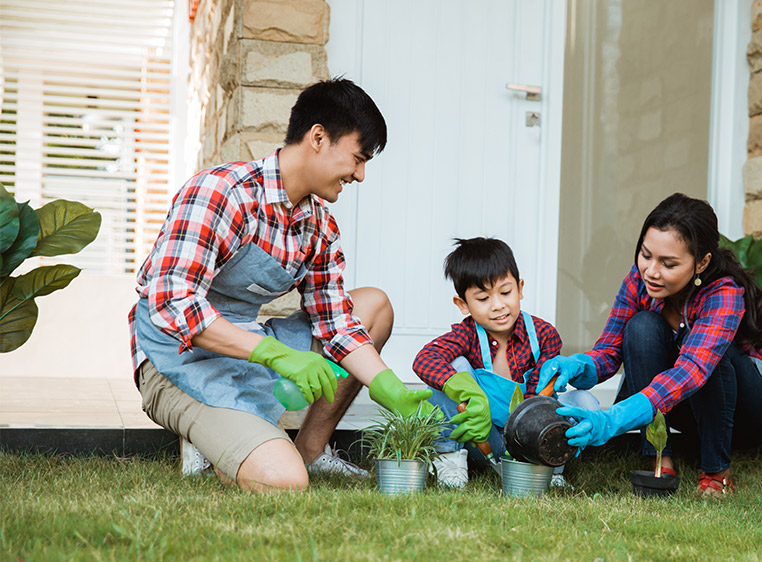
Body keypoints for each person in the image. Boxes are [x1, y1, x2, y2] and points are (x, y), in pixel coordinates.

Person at [129, 78, 435, 492]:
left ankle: (308, 451)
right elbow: (172, 304)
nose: (360, 176)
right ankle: (217, 436)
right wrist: (275, 354)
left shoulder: (320, 226)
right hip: (174, 359)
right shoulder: (222, 193)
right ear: (318, 137)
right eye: (358, 158)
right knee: (283, 481)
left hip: (247, 348)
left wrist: (387, 386)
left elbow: (338, 325)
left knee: (372, 306)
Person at [540, 193, 762, 497]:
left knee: (714, 355)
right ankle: (659, 461)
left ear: (701, 262)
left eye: (668, 263)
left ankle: (717, 472)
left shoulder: (723, 293)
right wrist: (576, 366)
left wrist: (613, 419)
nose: (651, 271)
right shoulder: (639, 281)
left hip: (750, 414)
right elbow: (609, 351)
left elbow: (693, 371)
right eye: (646, 255)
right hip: (690, 409)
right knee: (641, 327)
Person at [412, 237, 589, 488]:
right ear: (463, 304)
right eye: (483, 299)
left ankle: (552, 470)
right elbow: (425, 359)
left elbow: (539, 398)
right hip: (484, 440)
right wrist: (466, 391)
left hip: (534, 439)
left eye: (506, 292)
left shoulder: (544, 335)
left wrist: (533, 444)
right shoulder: (468, 334)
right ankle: (449, 458)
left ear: (520, 288)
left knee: (584, 401)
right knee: (456, 366)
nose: (498, 306)